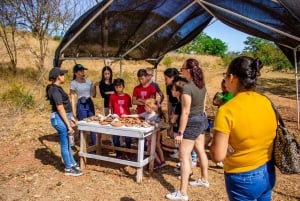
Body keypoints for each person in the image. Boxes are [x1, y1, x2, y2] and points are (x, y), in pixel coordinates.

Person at [210, 56, 277, 201]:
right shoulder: (266, 101)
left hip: (242, 177)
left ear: (232, 78)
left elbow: (217, 156)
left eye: (225, 76)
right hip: (267, 171)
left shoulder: (227, 110)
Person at [166, 58, 209, 201]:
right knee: (200, 151)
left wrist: (181, 133)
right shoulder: (201, 85)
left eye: (182, 68)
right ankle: (204, 179)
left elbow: (185, 112)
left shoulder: (187, 88)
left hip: (192, 122)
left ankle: (182, 193)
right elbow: (203, 106)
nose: (181, 70)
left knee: (184, 157)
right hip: (202, 119)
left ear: (188, 70)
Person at [46, 67, 82, 176]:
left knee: (67, 143)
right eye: (62, 74)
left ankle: (72, 163)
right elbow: (60, 107)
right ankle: (68, 168)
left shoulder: (57, 88)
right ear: (58, 76)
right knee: (65, 144)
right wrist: (68, 124)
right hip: (59, 118)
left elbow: (64, 107)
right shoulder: (55, 90)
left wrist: (70, 117)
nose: (64, 76)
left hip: (64, 116)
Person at [122, 98, 166, 169]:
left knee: (151, 151)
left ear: (150, 107)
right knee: (151, 150)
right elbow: (138, 115)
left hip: (153, 137)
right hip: (149, 137)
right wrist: (127, 116)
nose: (144, 108)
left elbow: (158, 126)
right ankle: (159, 162)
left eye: (146, 107)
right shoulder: (146, 113)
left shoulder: (155, 116)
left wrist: (151, 123)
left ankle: (159, 162)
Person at [70, 64, 96, 145]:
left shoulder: (88, 81)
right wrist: (73, 111)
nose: (82, 72)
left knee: (93, 123)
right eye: (80, 71)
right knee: (83, 125)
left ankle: (95, 145)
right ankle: (84, 145)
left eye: (83, 70)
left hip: (89, 102)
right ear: (76, 73)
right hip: (81, 103)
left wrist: (94, 87)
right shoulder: (73, 83)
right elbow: (72, 97)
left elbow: (93, 95)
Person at [108, 78, 132, 159]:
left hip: (126, 119)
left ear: (123, 86)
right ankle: (118, 153)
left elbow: (128, 107)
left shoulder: (127, 96)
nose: (118, 88)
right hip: (116, 120)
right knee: (115, 138)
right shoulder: (112, 96)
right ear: (114, 87)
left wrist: (129, 117)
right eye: (116, 87)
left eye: (120, 86)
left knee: (128, 138)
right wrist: (110, 116)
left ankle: (128, 152)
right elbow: (110, 108)